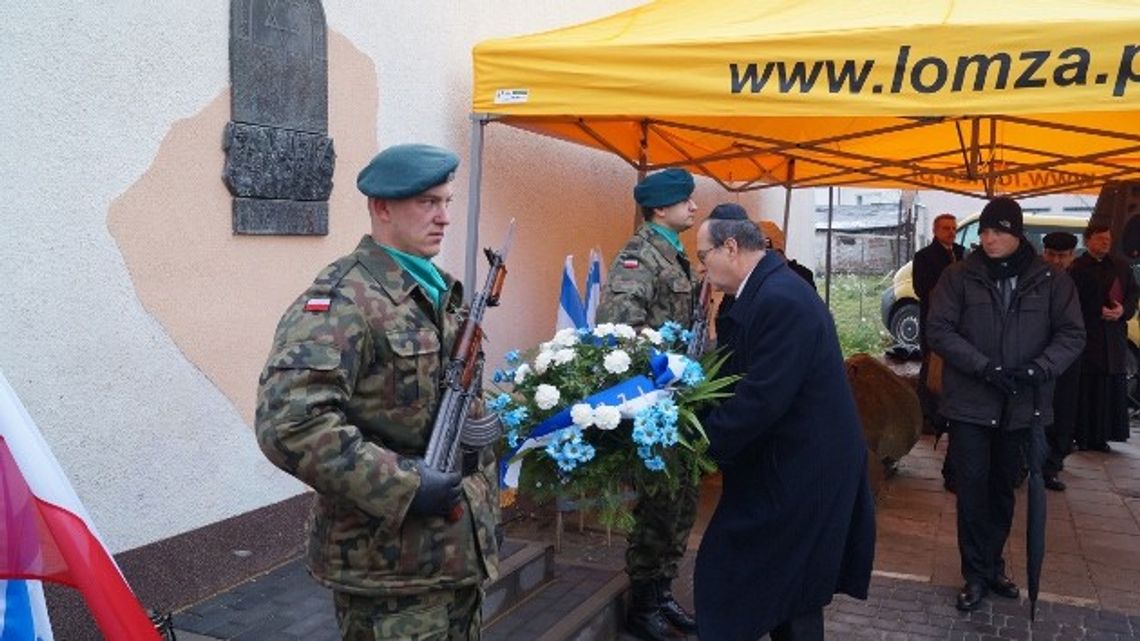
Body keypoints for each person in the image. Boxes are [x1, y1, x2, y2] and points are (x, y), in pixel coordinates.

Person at [255, 144, 500, 641]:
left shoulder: (440, 292)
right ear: (381, 208)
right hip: (389, 569)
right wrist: (405, 484)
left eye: (448, 202)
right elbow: (290, 424)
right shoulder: (344, 298)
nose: (445, 217)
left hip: (456, 556)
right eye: (428, 203)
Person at [693, 203, 875, 641]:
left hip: (804, 469)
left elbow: (760, 397)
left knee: (770, 581)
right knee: (788, 589)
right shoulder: (762, 291)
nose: (702, 268)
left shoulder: (781, 299)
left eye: (703, 256)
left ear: (731, 247)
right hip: (788, 462)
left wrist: (700, 445)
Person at [926, 197, 1083, 612]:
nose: (988, 238)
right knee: (971, 489)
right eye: (985, 231)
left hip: (1022, 405)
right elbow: (938, 329)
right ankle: (974, 573)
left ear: (1016, 234)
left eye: (997, 231)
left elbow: (1071, 334)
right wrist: (983, 367)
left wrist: (1039, 369)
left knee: (1002, 490)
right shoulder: (958, 276)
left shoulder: (1051, 280)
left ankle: (993, 564)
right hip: (971, 405)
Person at [596, 167, 699, 641]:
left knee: (680, 500)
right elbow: (616, 329)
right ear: (661, 208)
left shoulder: (673, 255)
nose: (694, 208)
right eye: (686, 201)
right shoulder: (640, 257)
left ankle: (661, 592)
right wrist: (657, 373)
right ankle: (642, 605)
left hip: (677, 397)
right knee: (659, 502)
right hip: (652, 400)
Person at [1070, 222, 1139, 453]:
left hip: (1114, 335)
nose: (1105, 243)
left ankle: (1103, 436)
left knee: (1109, 388)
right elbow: (1074, 300)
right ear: (1087, 240)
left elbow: (1132, 294)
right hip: (1090, 336)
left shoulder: (1120, 266)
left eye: (1108, 239)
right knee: (1088, 388)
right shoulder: (1077, 267)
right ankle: (1083, 435)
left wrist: (1122, 311)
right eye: (1100, 239)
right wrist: (1096, 311)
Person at [912, 213, 965, 492]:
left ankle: (945, 414)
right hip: (934, 321)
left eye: (954, 228)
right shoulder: (925, 256)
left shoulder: (962, 253)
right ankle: (929, 416)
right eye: (946, 228)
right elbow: (922, 289)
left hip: (959, 324)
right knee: (931, 369)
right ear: (935, 230)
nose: (952, 232)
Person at [1040, 231, 1082, 491]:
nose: (1056, 261)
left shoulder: (1081, 280)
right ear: (1044, 254)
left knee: (1062, 412)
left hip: (1068, 359)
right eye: (1052, 255)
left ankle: (1051, 465)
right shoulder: (1033, 278)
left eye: (1062, 256)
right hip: (1036, 355)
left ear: (1072, 256)